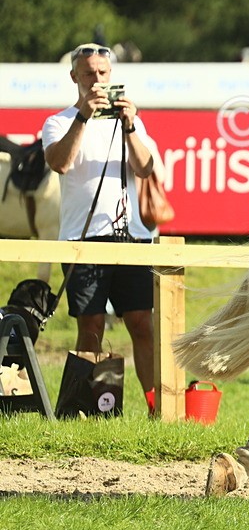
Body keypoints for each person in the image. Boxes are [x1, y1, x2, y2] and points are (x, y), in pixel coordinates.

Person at [42, 43, 160, 409]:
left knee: (142, 323)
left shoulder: (130, 120)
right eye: (90, 73)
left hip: (132, 236)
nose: (97, 80)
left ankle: (158, 406)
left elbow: (145, 167)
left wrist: (130, 126)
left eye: (103, 73)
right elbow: (59, 163)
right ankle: (88, 410)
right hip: (82, 237)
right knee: (90, 325)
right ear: (74, 76)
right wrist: (82, 116)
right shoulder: (59, 121)